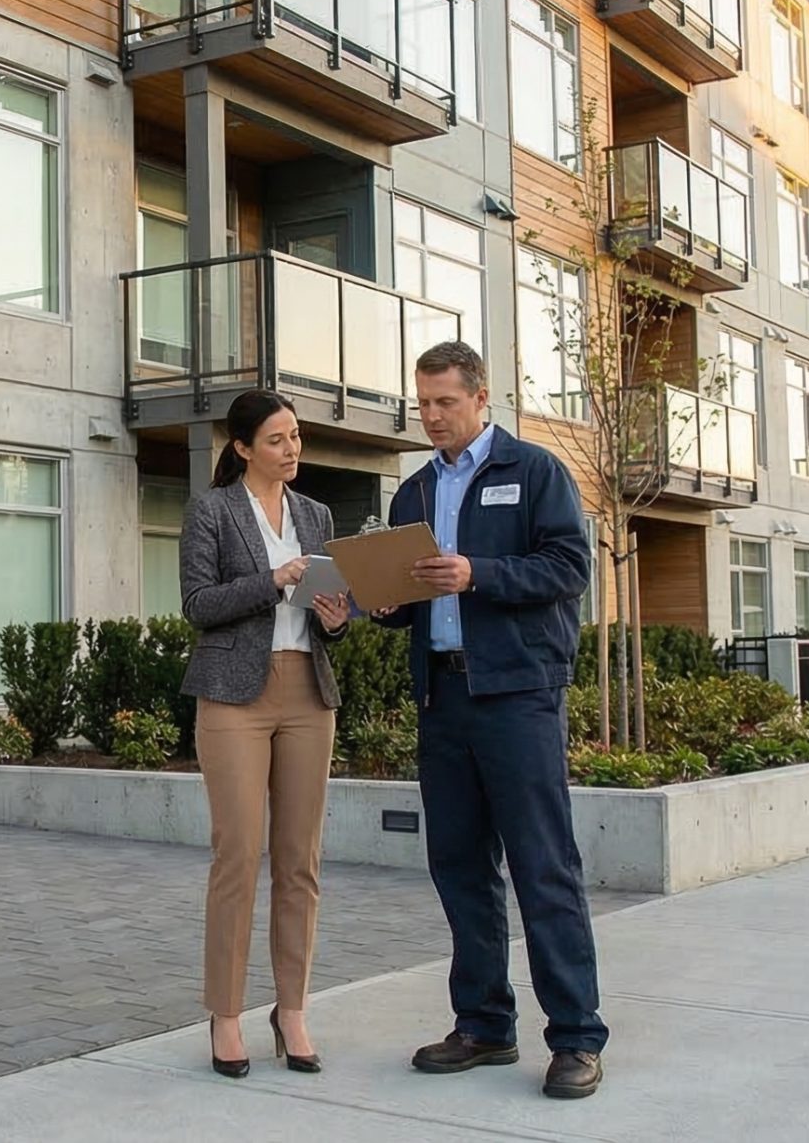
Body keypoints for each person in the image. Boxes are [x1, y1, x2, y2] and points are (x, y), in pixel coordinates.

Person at [374, 341, 607, 1100]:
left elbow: (570, 567)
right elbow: (408, 599)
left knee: (544, 866)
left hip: (518, 698)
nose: (432, 415)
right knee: (461, 868)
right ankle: (483, 1023)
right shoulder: (411, 494)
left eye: (445, 401)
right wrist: (381, 603)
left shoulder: (533, 472)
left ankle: (575, 1036)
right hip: (443, 701)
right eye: (423, 403)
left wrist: (480, 573)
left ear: (481, 398)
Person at [178, 389, 352, 1079]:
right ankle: (226, 1015)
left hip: (308, 688)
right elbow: (197, 605)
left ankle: (293, 1008)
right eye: (278, 439)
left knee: (300, 858)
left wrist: (336, 612)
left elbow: (328, 617)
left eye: (297, 436)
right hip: (232, 696)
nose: (292, 449)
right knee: (238, 853)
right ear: (245, 446)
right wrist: (271, 580)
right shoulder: (211, 510)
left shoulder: (314, 513)